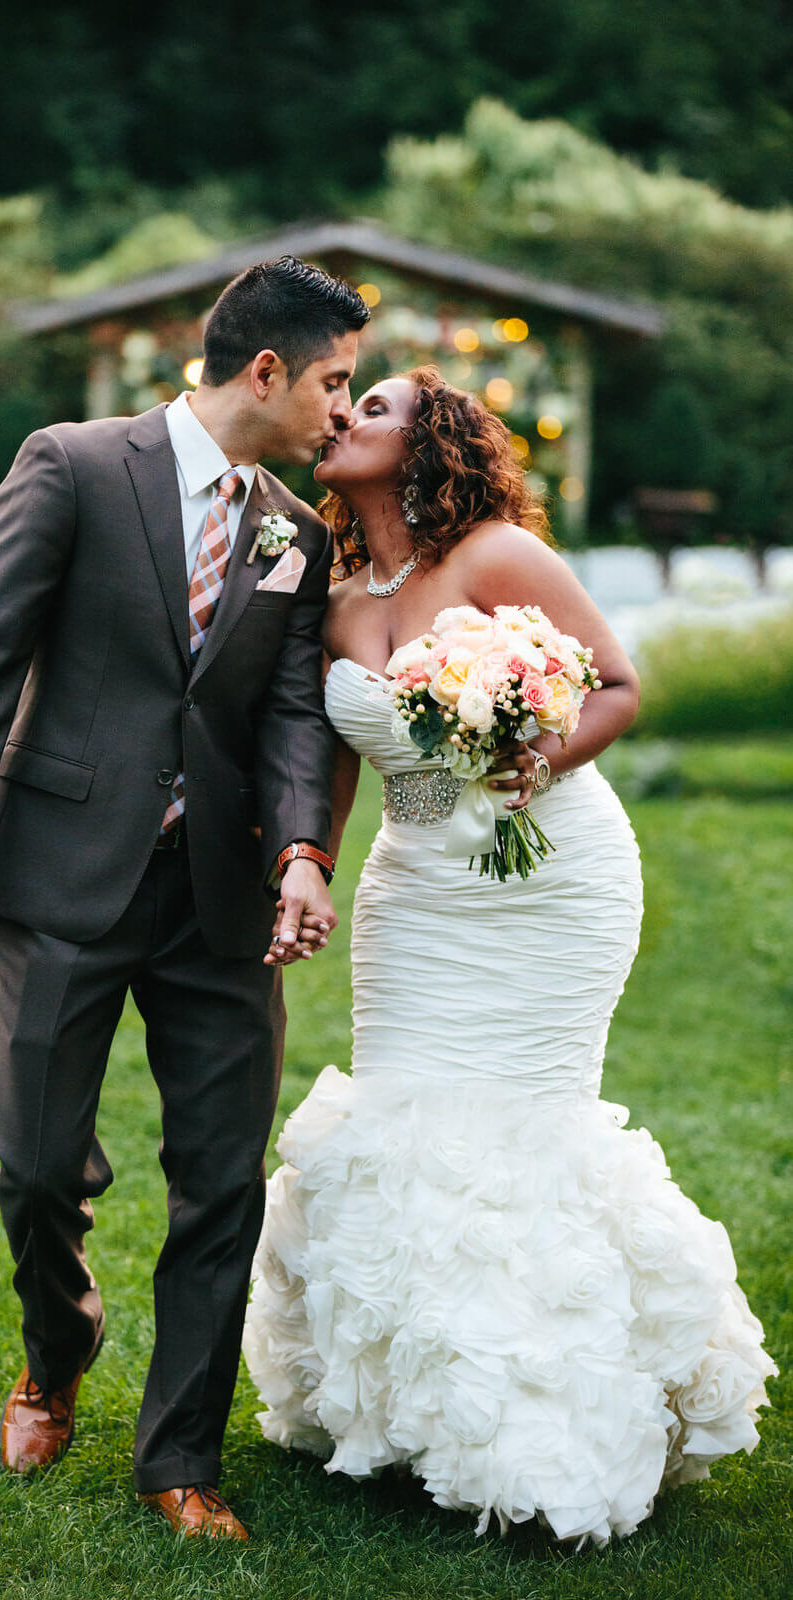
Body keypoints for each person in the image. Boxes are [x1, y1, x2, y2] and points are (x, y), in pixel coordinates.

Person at [243, 366, 776, 1547]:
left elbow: (618, 686)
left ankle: (545, 1419)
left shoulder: (493, 558)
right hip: (417, 891)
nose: (345, 420)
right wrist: (309, 867)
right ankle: (418, 1412)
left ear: (428, 440)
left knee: (524, 1124)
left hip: (549, 885)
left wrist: (533, 761)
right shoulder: (332, 596)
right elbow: (335, 761)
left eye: (372, 407)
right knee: (400, 1115)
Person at [0, 257, 371, 1540]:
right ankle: (57, 1352)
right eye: (334, 383)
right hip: (62, 871)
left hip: (222, 899)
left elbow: (287, 710)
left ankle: (178, 1458)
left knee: (220, 1183)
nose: (346, 409)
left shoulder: (297, 529)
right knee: (38, 1165)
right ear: (264, 369)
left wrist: (299, 853)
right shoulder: (68, 462)